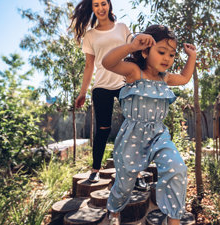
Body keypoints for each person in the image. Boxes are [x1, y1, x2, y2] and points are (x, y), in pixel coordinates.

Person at [102, 25, 196, 225]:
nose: (167, 59)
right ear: (145, 52)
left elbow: (186, 78)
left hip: (158, 135)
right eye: (161, 52)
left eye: (171, 55)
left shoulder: (165, 78)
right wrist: (131, 46)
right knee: (125, 185)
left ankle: (173, 220)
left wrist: (192, 56)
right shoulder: (135, 72)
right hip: (132, 137)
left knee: (177, 167)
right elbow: (107, 62)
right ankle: (114, 209)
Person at [70, 0, 147, 190]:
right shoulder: (90, 35)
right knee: (103, 129)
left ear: (109, 6)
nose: (100, 8)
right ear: (93, 9)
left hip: (125, 84)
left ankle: (136, 173)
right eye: (96, 5)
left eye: (103, 3)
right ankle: (95, 171)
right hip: (101, 87)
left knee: (133, 127)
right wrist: (83, 92)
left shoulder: (122, 28)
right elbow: (89, 66)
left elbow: (135, 48)